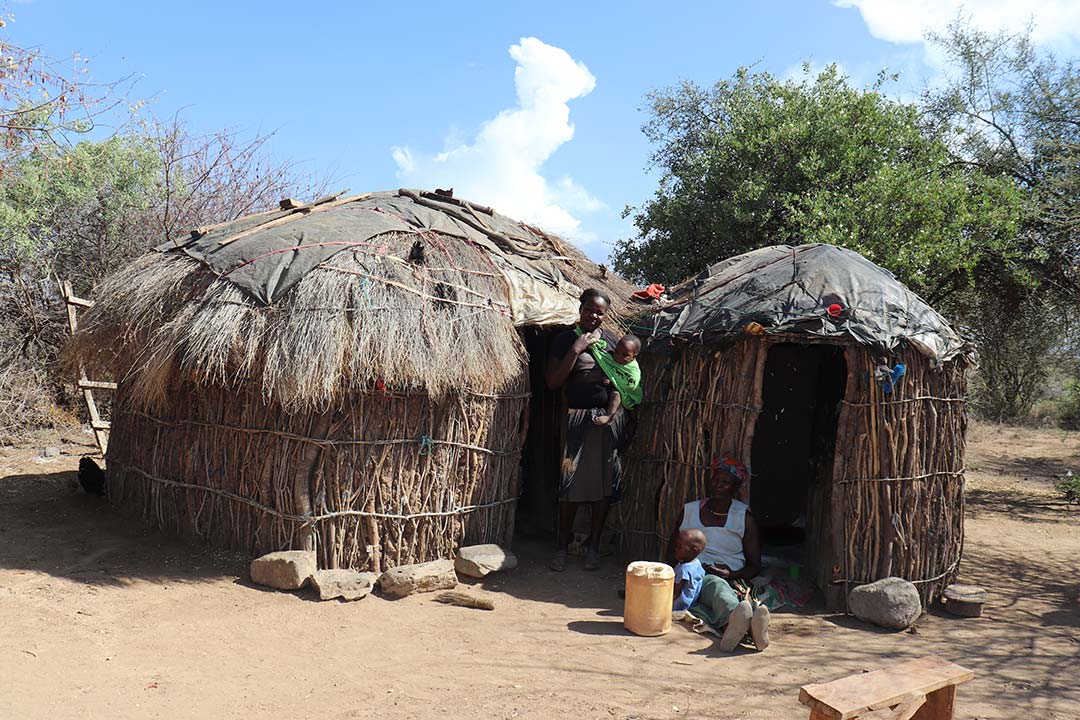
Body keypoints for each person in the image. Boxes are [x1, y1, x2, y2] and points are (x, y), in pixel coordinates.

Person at [546, 289, 632, 571]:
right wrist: (576, 349)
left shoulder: (610, 341)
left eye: (600, 312)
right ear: (580, 309)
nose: (594, 316)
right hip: (577, 419)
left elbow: (625, 378)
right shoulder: (564, 340)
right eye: (590, 310)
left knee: (604, 486)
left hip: (606, 420)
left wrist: (611, 411)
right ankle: (561, 548)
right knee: (569, 485)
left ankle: (593, 549)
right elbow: (553, 382)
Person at [673, 456, 770, 651]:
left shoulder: (744, 517)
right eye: (716, 480)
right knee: (715, 586)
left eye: (725, 483)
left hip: (733, 577)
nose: (718, 485)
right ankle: (746, 627)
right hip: (697, 573)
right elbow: (672, 550)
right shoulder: (690, 510)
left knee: (722, 589)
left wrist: (731, 575)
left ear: (735, 488)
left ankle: (736, 626)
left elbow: (754, 566)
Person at [592, 334, 642, 427]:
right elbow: (610, 370)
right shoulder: (609, 358)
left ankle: (609, 416)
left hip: (628, 397)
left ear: (634, 357)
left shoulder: (633, 369)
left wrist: (612, 382)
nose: (618, 356)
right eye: (617, 352)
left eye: (625, 355)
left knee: (616, 393)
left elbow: (631, 385)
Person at [672, 528, 707, 612]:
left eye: (680, 547)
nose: (675, 549)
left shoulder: (683, 570)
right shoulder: (696, 563)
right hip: (692, 604)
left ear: (694, 551)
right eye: (676, 546)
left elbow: (674, 593)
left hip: (677, 608)